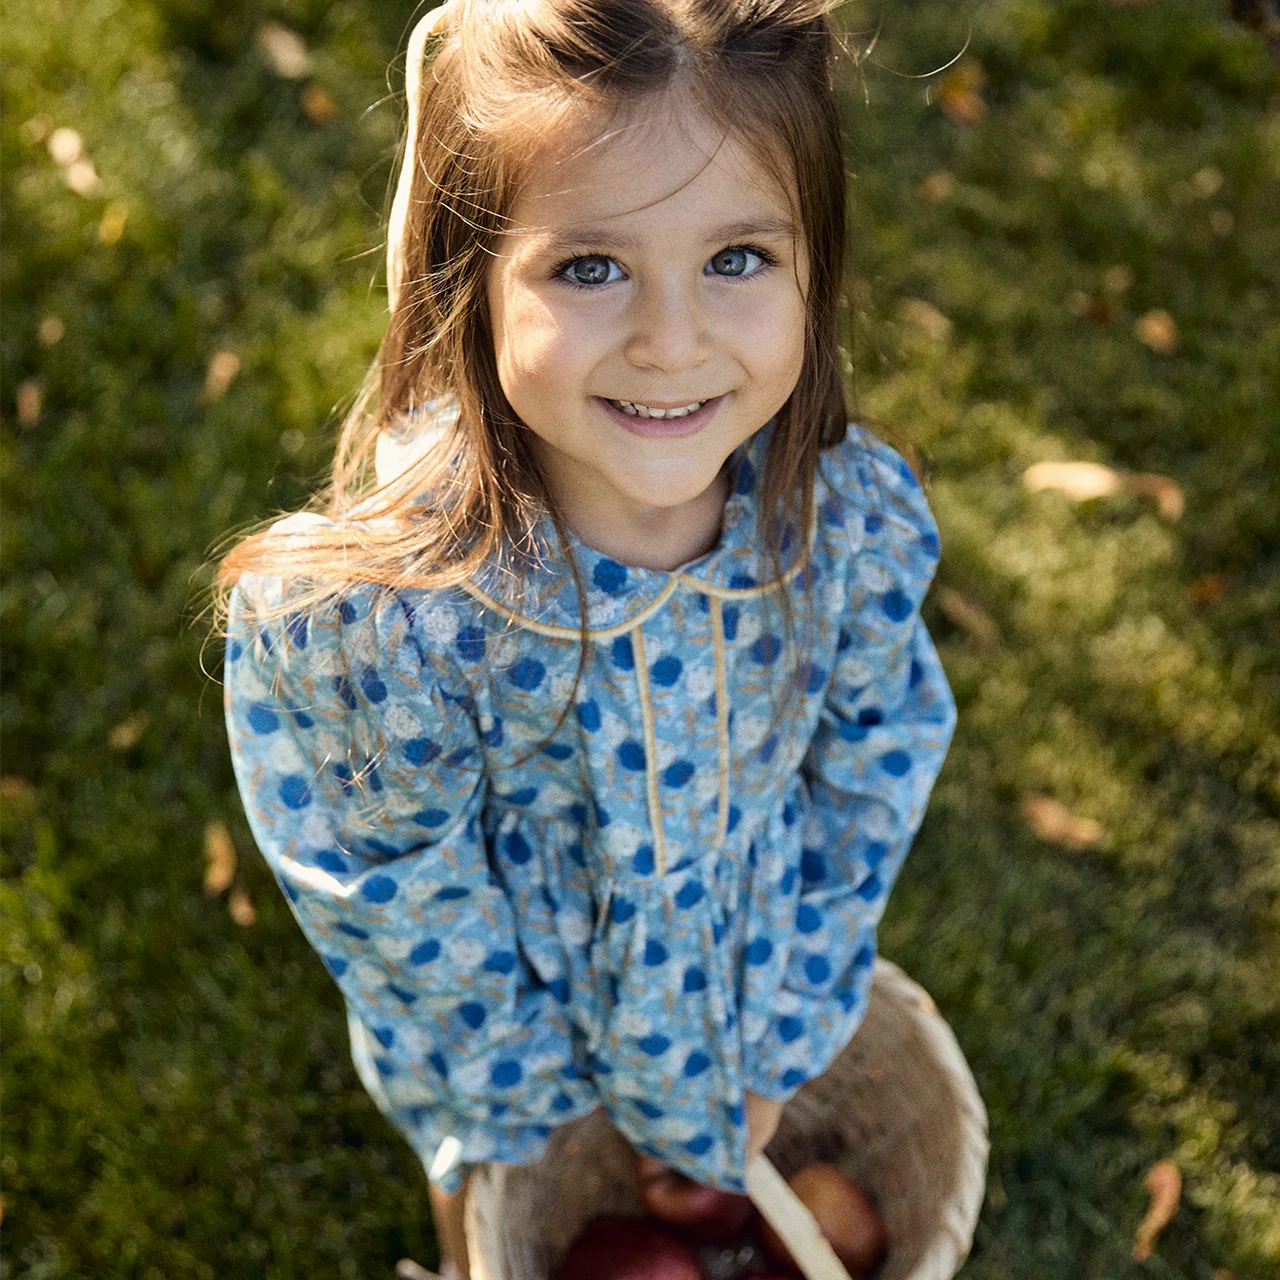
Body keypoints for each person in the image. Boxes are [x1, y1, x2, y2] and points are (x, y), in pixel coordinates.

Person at [220, 1, 957, 1274]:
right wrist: (537, 1104)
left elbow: (876, 754)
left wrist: (778, 1037)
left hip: (740, 995)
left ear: (813, 267)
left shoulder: (841, 530)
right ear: (471, 280)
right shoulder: (403, 620)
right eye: (590, 268)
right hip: (506, 1054)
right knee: (502, 1227)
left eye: (736, 258)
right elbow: (398, 894)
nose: (671, 342)